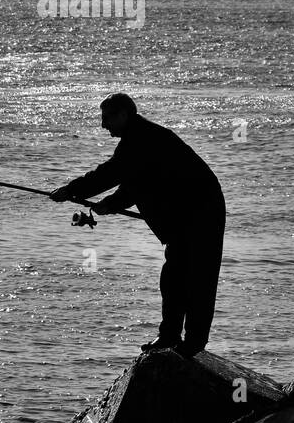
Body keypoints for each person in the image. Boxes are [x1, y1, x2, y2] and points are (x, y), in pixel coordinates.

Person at [51, 93, 225, 357]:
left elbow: (111, 173)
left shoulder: (141, 138)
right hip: (184, 215)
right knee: (173, 278)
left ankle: (193, 343)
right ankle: (169, 337)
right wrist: (110, 204)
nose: (103, 125)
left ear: (124, 114)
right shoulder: (139, 139)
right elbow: (138, 182)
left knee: (198, 279)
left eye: (107, 118)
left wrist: (71, 190)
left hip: (201, 211)